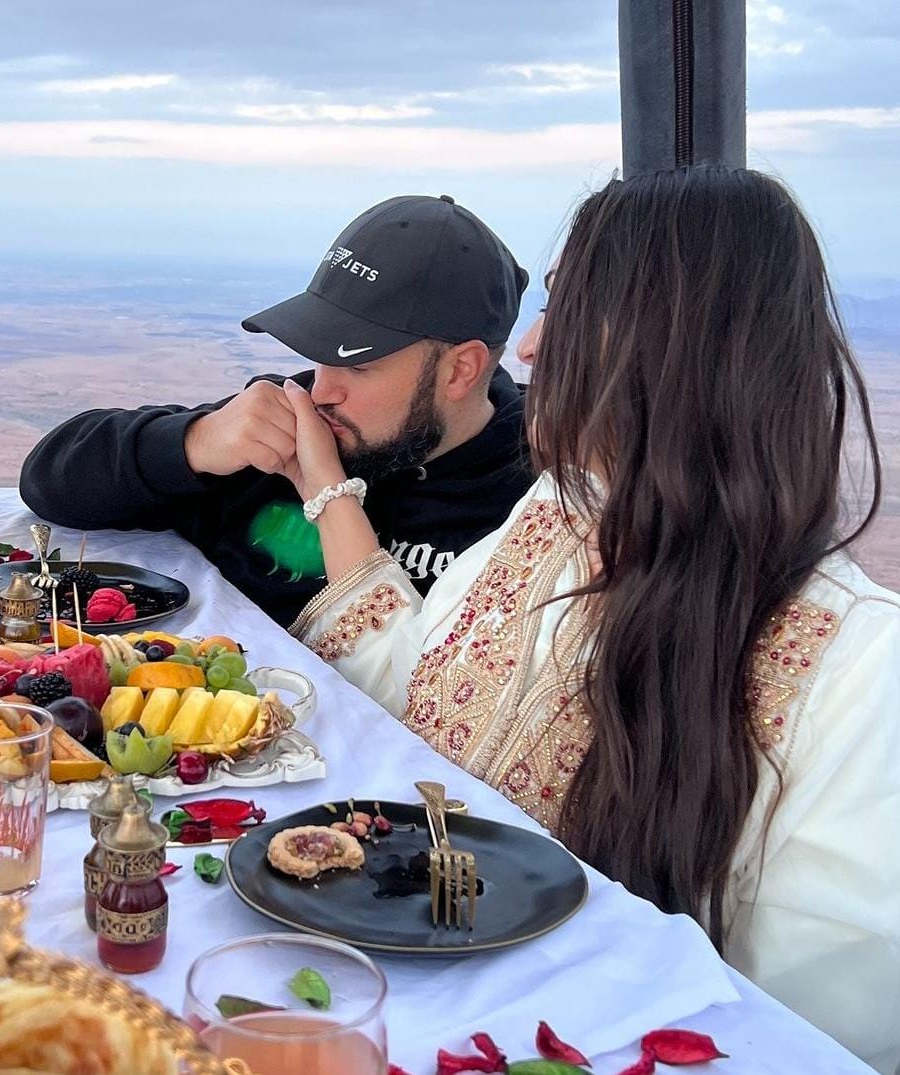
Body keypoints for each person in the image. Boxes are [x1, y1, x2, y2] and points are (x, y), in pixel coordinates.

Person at [281, 167, 900, 1071]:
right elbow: (418, 693)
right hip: (405, 992)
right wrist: (324, 487)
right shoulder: (559, 515)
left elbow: (813, 1030)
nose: (528, 348)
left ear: (669, 344)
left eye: (566, 307)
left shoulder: (851, 663)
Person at [20, 195, 532, 627]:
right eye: (320, 352)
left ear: (460, 370)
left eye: (359, 365)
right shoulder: (294, 421)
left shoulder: (541, 499)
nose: (323, 387)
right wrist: (193, 441)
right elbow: (50, 482)